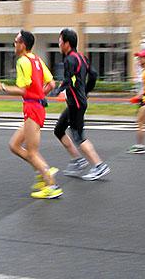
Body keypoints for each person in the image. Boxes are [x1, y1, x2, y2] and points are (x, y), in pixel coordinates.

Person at [0, 30, 62, 199]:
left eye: (16, 41)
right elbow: (51, 84)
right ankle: (42, 169)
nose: (14, 45)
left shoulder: (23, 61)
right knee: (14, 145)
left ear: (22, 45)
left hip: (32, 108)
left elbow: (22, 90)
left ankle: (51, 184)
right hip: (36, 107)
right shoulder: (37, 60)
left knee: (32, 152)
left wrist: (2, 87)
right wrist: (39, 95)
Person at [52, 28, 110, 180]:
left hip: (76, 104)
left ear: (67, 43)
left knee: (78, 136)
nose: (59, 44)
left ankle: (99, 166)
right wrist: (86, 91)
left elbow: (67, 80)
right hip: (76, 102)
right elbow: (94, 75)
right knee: (59, 130)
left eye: (60, 41)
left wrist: (57, 90)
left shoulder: (69, 60)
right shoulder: (82, 58)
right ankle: (78, 160)